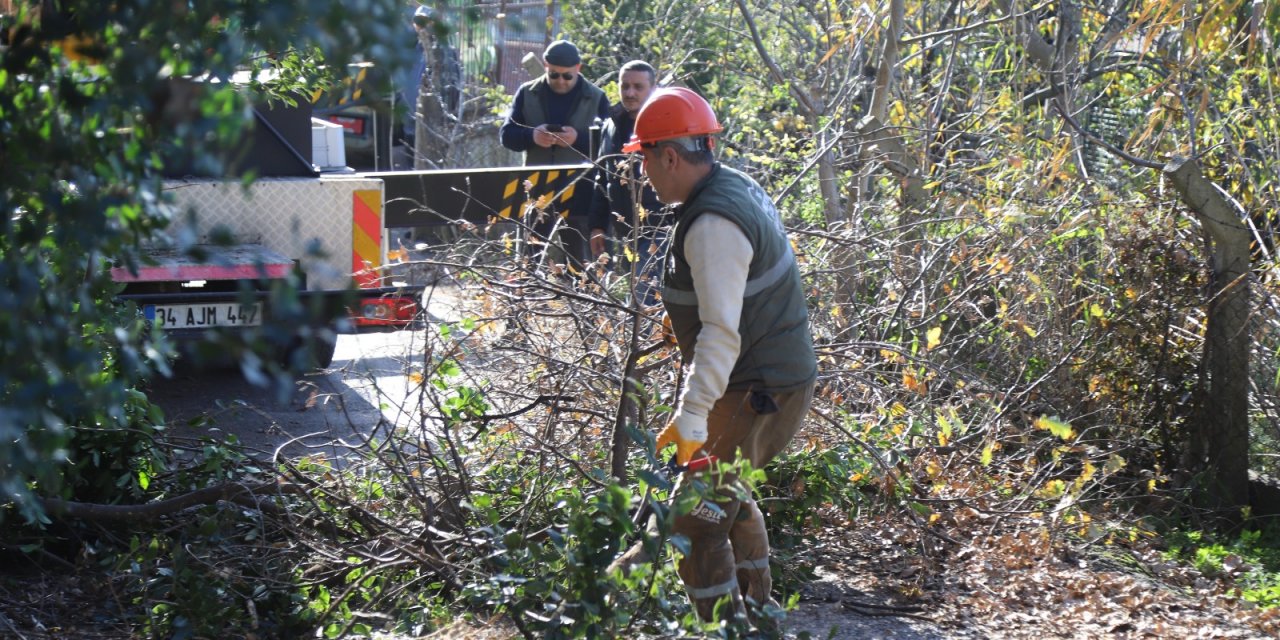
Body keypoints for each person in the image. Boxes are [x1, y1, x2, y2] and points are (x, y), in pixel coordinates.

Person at [616, 87, 818, 627]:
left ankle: (725, 627)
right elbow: (734, 297)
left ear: (670, 156)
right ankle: (758, 613)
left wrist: (691, 414)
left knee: (697, 520)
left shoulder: (711, 225)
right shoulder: (735, 187)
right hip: (772, 380)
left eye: (645, 160)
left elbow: (722, 333)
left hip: (757, 388)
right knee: (727, 493)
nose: (645, 174)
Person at [499, 39, 609, 264]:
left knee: (580, 261)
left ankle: (584, 297)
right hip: (537, 186)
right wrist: (532, 136)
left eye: (567, 76)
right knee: (530, 257)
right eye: (554, 75)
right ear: (545, 65)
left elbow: (610, 144)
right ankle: (528, 296)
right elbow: (507, 136)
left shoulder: (596, 97)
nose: (561, 81)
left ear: (578, 68)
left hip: (580, 186)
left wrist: (578, 139)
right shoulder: (527, 93)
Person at [586, 60, 667, 307]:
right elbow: (603, 177)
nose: (630, 93)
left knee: (645, 301)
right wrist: (597, 226)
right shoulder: (611, 124)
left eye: (638, 87)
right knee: (638, 300)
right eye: (625, 86)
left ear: (652, 88)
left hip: (660, 230)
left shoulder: (665, 122)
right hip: (627, 231)